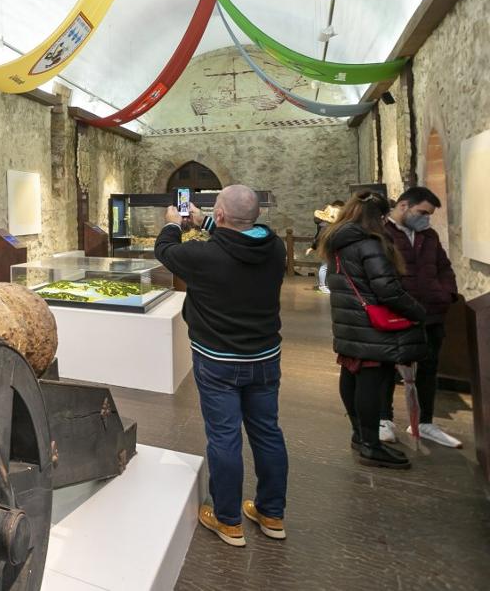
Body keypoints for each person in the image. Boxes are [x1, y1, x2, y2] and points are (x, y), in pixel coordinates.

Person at [154, 185, 288, 547]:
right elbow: (237, 238)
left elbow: (166, 250)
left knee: (224, 437)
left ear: (223, 216)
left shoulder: (203, 256)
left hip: (218, 361)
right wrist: (205, 220)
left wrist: (173, 223)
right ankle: (272, 513)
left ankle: (228, 520)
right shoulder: (275, 248)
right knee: (268, 433)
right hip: (264, 358)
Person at [318, 191, 427, 469]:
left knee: (351, 375)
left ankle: (359, 434)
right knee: (370, 381)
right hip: (371, 325)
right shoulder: (369, 244)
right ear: (379, 217)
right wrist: (416, 311)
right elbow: (386, 289)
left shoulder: (337, 242)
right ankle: (370, 444)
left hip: (349, 323)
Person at [378, 186, 461, 447]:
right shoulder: (381, 234)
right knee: (386, 368)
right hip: (396, 313)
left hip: (432, 314)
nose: (426, 218)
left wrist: (446, 295)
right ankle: (384, 419)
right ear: (404, 206)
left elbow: (443, 268)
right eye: (422, 212)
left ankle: (424, 422)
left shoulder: (429, 236)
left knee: (428, 367)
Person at [311, 200, 344, 293]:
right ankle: (322, 285)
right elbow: (320, 236)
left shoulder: (325, 223)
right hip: (326, 246)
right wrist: (313, 246)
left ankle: (324, 284)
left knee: (328, 265)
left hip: (327, 245)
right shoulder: (325, 224)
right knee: (325, 265)